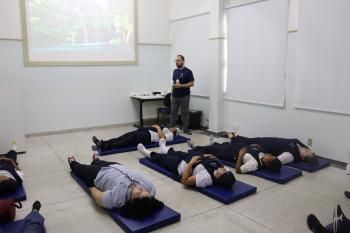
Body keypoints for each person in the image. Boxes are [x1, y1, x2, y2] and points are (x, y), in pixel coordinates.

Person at [68, 154, 163, 218]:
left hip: (98, 175)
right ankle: (96, 160)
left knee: (80, 169)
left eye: (139, 193)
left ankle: (72, 163)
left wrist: (92, 188)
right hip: (116, 166)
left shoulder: (118, 198)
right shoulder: (150, 189)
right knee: (100, 162)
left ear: (133, 201)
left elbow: (98, 197)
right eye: (145, 191)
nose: (141, 188)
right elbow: (151, 194)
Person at [137, 138, 236, 188]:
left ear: (219, 177)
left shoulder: (206, 178)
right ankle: (163, 147)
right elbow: (223, 166)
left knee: (161, 158)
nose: (224, 169)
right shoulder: (223, 171)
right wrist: (213, 157)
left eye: (224, 171)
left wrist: (191, 163)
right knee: (174, 152)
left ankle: (146, 152)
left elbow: (185, 181)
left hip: (181, 166)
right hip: (189, 158)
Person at [187, 141, 282, 174]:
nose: (269, 155)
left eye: (269, 158)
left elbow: (238, 170)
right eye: (271, 156)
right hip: (238, 146)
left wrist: (240, 155)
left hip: (232, 154)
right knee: (219, 145)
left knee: (214, 149)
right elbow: (260, 149)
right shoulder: (264, 153)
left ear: (266, 164)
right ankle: (211, 145)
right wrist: (255, 146)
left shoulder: (254, 164)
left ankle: (195, 148)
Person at [225, 133, 318, 165]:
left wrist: (266, 154)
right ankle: (236, 136)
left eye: (306, 151)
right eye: (307, 149)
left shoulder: (290, 156)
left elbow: (275, 162)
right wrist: (312, 154)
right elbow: (307, 149)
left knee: (249, 142)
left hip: (267, 146)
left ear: (302, 158)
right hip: (271, 140)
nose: (305, 149)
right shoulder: (300, 147)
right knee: (252, 139)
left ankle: (232, 137)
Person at [92, 125, 178, 151]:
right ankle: (102, 143)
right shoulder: (167, 129)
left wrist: (158, 127)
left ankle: (105, 146)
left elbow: (162, 137)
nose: (173, 127)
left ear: (175, 132)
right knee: (122, 137)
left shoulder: (171, 136)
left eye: (174, 128)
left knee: (125, 141)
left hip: (147, 137)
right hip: (144, 132)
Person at [170, 55, 195, 135]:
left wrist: (181, 86)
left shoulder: (188, 71)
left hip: (184, 96)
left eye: (178, 60)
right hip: (175, 96)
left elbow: (192, 84)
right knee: (173, 113)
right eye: (176, 60)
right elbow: (173, 83)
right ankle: (172, 128)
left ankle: (186, 129)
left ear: (183, 61)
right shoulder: (175, 71)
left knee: (184, 113)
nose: (176, 62)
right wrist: (171, 94)